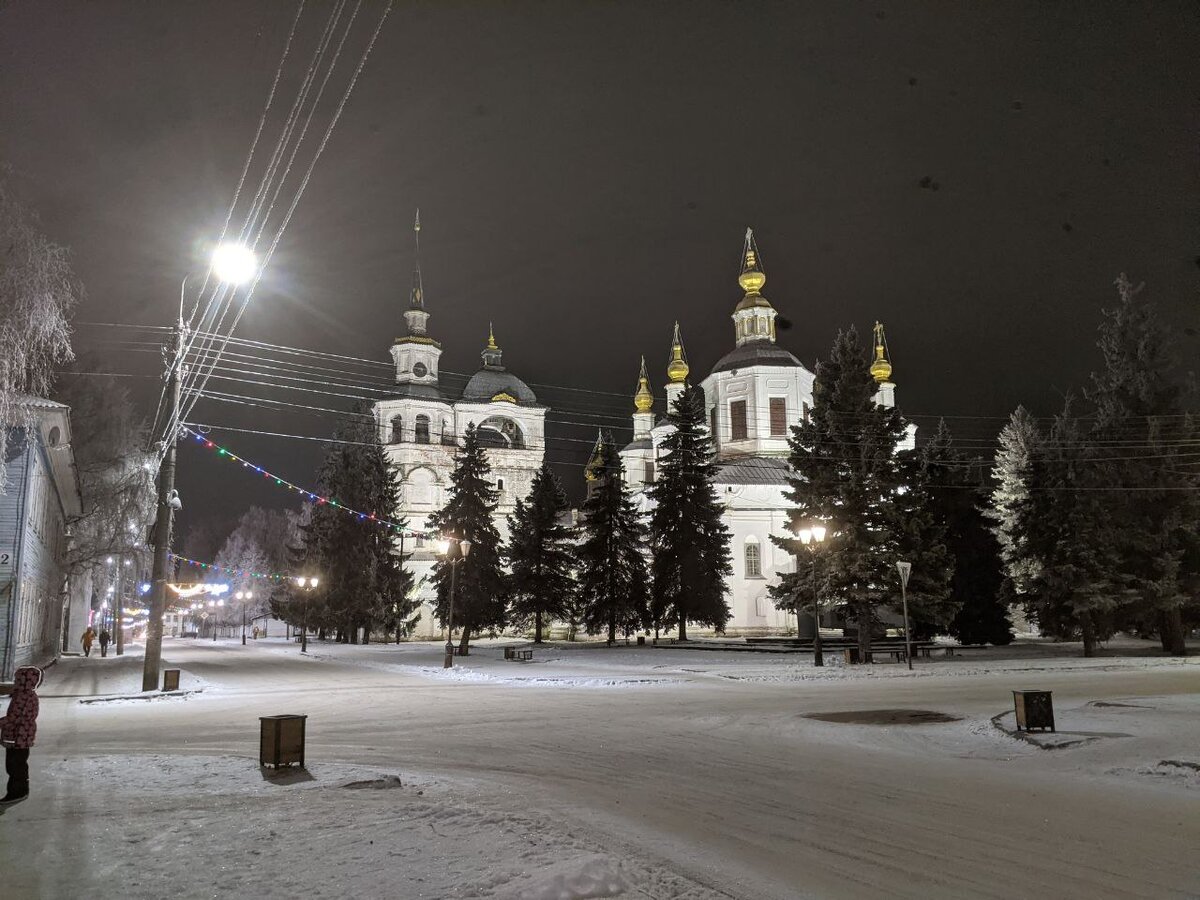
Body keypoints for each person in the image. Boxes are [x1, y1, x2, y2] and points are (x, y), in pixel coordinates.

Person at [0, 666, 42, 805]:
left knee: (14, 766)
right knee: (18, 764)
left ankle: (17, 792)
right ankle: (20, 790)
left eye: (17, 679)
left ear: (24, 680)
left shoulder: (22, 696)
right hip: (21, 736)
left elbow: (14, 718)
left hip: (18, 736)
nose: (15, 681)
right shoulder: (28, 694)